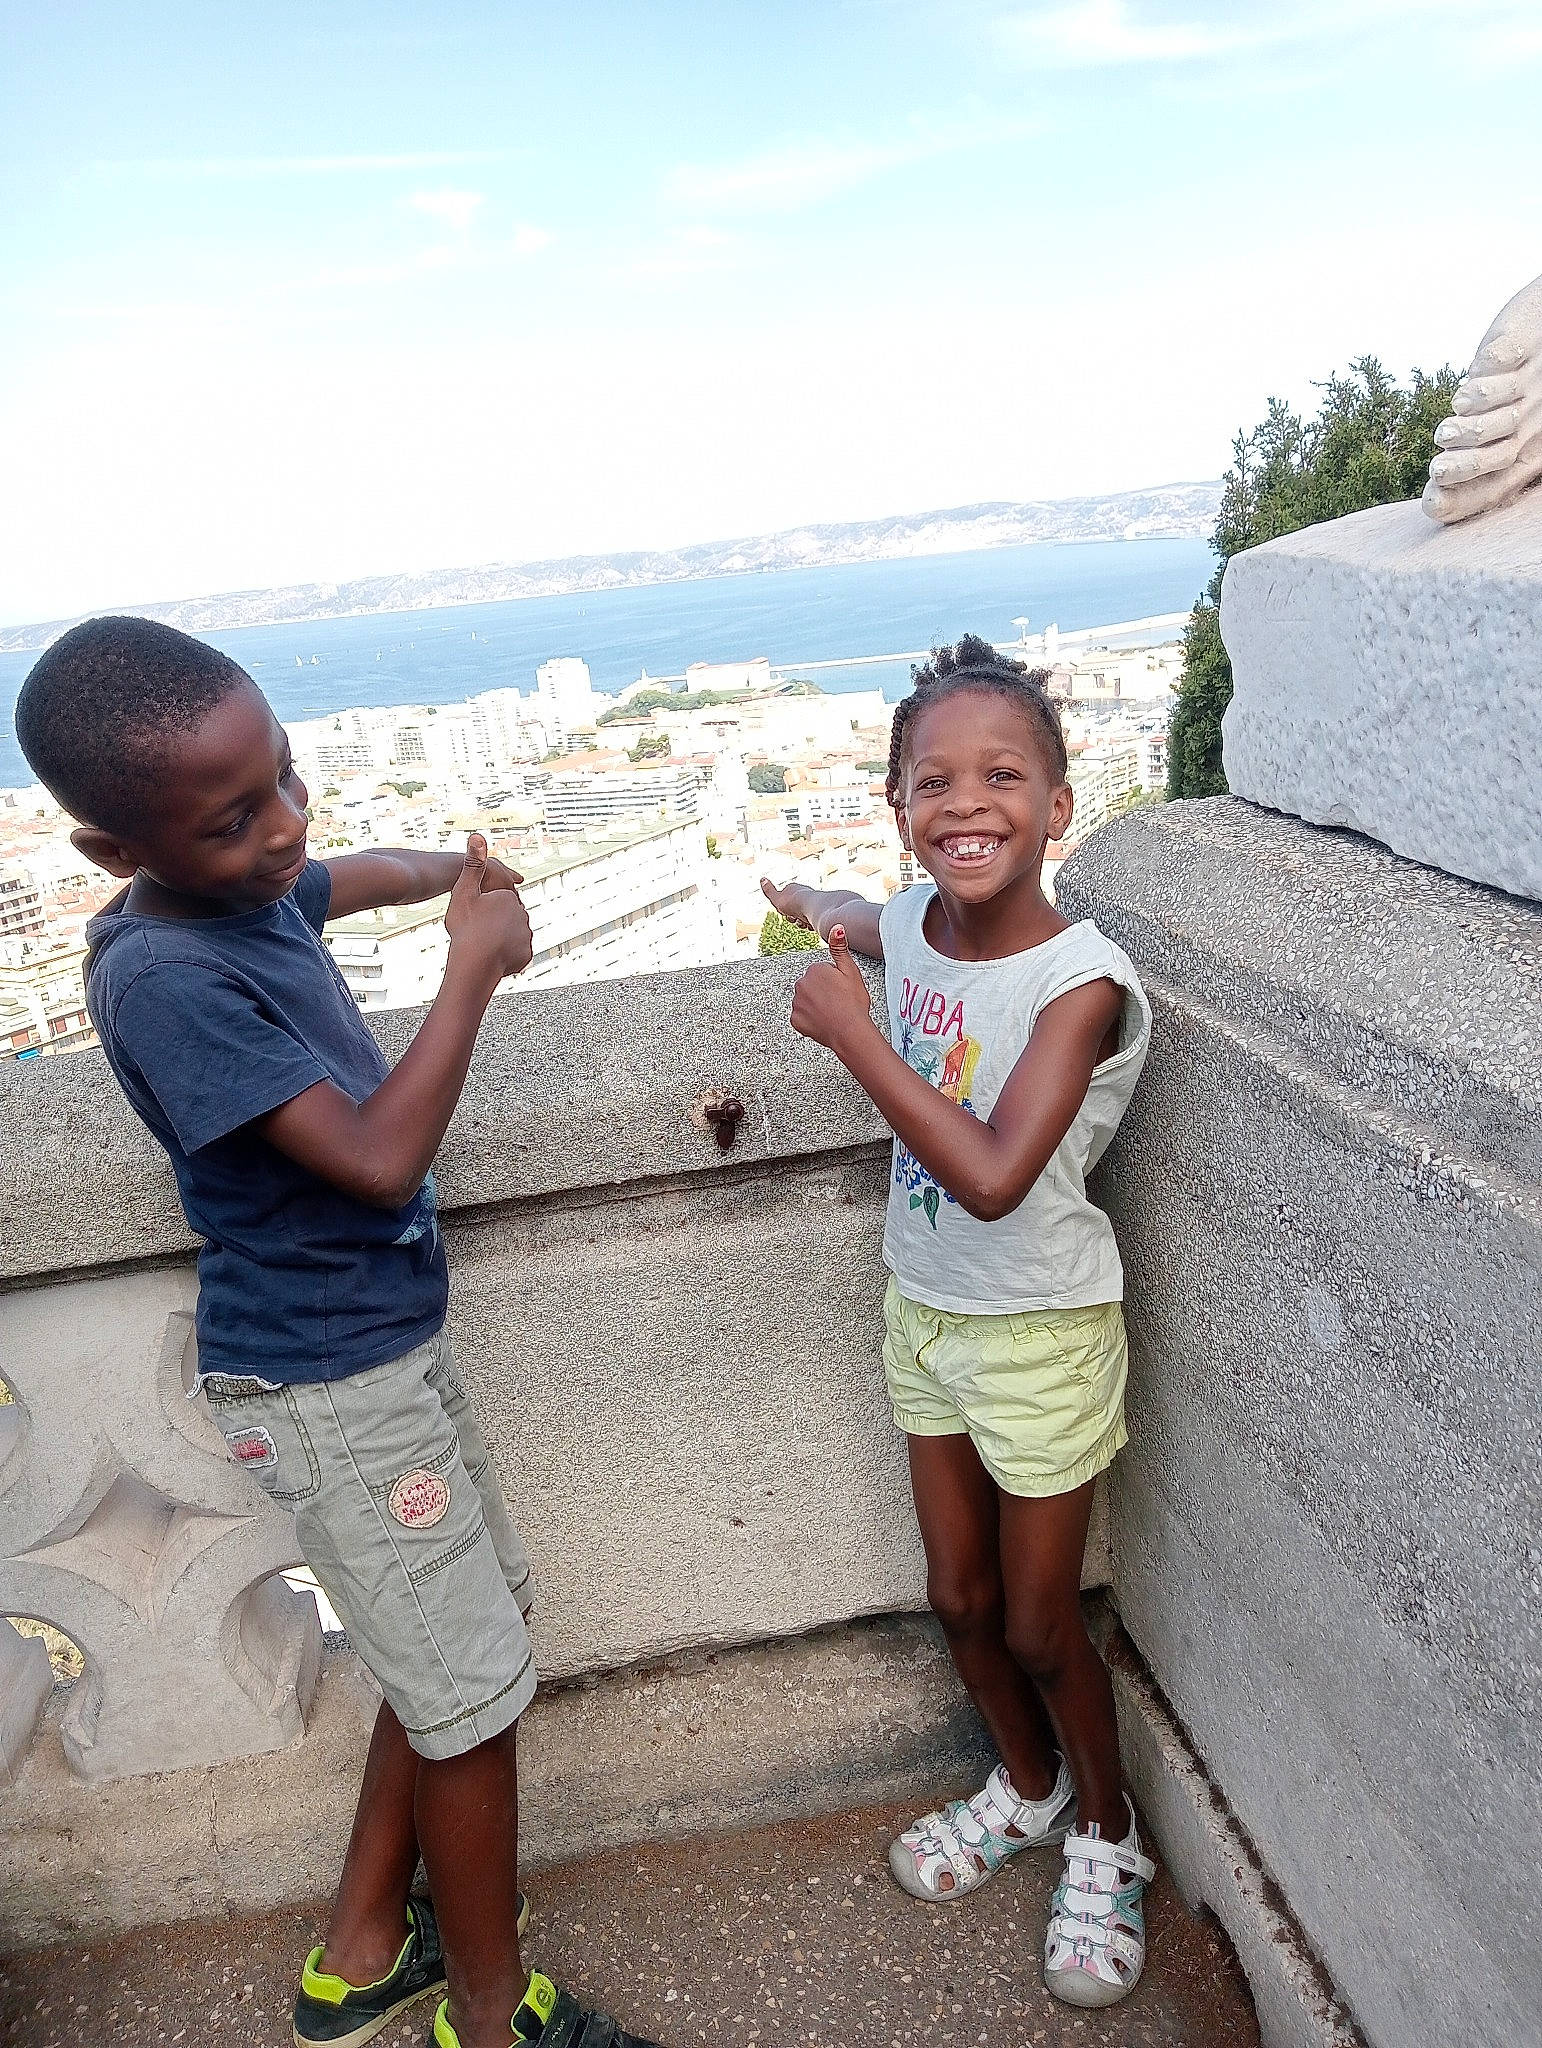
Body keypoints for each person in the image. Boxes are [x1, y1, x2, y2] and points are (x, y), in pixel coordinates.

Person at [14, 617, 660, 2048]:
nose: (282, 830)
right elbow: (373, 1157)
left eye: (287, 780)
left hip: (371, 1353)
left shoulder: (222, 895)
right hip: (328, 1378)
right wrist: (471, 968)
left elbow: (321, 883)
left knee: (455, 1663)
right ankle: (491, 2017)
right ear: (113, 853)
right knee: (471, 1702)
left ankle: (364, 1948)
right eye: (235, 817)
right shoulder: (162, 977)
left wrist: (438, 874)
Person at [760, 634, 1156, 2010]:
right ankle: (1030, 1786)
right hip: (922, 1312)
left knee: (1046, 1625)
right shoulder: (914, 920)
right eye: (931, 782)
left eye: (1001, 777)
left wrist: (856, 1040)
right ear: (895, 809)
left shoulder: (1078, 982)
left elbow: (992, 1178)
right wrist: (810, 900)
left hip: (1039, 1327)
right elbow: (873, 923)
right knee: (958, 1597)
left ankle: (1109, 1836)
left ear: (1057, 805)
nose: (964, 803)